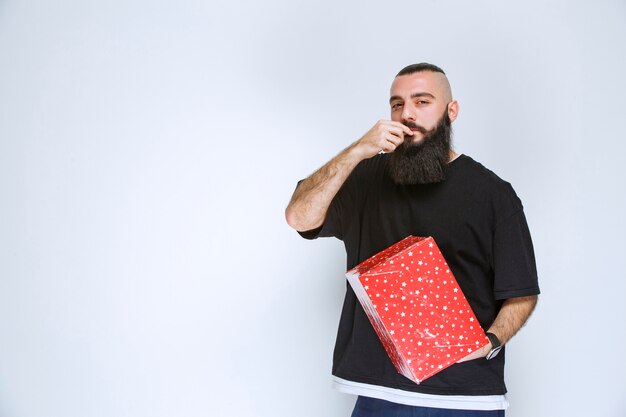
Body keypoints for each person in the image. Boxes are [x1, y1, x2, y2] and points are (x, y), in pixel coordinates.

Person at [285, 63, 539, 417]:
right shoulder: (366, 178)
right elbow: (298, 216)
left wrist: (490, 342)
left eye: (422, 102)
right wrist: (359, 149)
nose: (407, 114)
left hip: (465, 398)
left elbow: (521, 293)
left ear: (451, 111)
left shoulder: (494, 194)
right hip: (375, 393)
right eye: (397, 104)